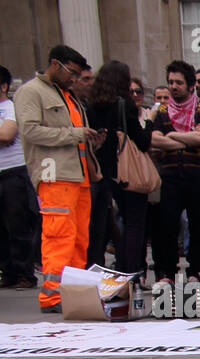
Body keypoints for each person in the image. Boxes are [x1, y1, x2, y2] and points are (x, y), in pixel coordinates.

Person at [14, 45, 103, 314]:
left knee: (78, 239)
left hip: (78, 175)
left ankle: (71, 293)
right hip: (54, 174)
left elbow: (70, 134)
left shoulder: (68, 96)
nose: (75, 79)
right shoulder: (31, 92)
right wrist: (75, 134)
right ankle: (52, 296)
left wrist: (90, 141)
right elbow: (30, 132)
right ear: (55, 64)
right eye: (72, 73)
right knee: (59, 235)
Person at [148, 60, 200, 291]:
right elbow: (154, 138)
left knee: (197, 226)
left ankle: (194, 270)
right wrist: (186, 138)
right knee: (168, 225)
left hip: (198, 176)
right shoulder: (161, 112)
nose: (173, 87)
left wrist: (171, 136)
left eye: (179, 83)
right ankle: (168, 271)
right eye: (171, 82)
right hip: (170, 176)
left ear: (191, 85)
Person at [86, 61, 151, 276]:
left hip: (102, 172)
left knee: (109, 224)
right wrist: (149, 122)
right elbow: (141, 141)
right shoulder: (125, 105)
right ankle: (130, 271)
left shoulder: (91, 105)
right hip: (127, 172)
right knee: (134, 224)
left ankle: (114, 267)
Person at [0, 64, 38, 289]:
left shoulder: (10, 108)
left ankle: (25, 273)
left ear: (4, 86)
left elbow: (7, 134)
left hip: (13, 173)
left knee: (18, 225)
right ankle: (8, 272)